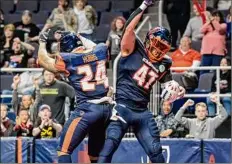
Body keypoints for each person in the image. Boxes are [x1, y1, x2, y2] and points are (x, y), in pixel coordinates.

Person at [97, 0, 185, 163]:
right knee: (107, 150)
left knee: (157, 155)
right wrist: (143, 6)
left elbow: (168, 86)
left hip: (142, 111)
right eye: (157, 44)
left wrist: (178, 91)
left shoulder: (165, 62)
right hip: (122, 107)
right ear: (148, 40)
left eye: (162, 47)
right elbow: (128, 28)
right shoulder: (133, 46)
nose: (158, 49)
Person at [38, 28, 113, 163]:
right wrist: (79, 36)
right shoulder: (100, 50)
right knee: (95, 154)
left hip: (87, 109)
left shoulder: (70, 59)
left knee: (63, 150)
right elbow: (93, 48)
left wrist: (42, 43)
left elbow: (42, 60)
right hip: (106, 109)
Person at [200, 10, 227, 75]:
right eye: (214, 16)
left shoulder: (223, 25)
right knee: (203, 72)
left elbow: (219, 29)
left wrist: (212, 20)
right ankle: (203, 85)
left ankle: (215, 85)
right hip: (206, 52)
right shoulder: (208, 26)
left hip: (218, 53)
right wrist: (208, 22)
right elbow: (201, 30)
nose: (215, 17)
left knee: (216, 73)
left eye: (217, 16)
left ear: (221, 17)